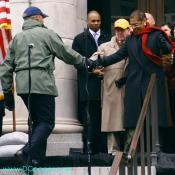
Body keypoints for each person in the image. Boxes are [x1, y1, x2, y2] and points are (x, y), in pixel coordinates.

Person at [0, 6, 91, 166]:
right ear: (36, 18)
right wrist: (85, 62)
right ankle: (27, 151)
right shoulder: (47, 34)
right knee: (47, 122)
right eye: (42, 17)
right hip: (41, 83)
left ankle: (35, 160)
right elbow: (66, 53)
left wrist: (7, 93)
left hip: (23, 85)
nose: (43, 20)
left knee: (37, 122)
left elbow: (6, 67)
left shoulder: (17, 38)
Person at [94, 10, 175, 152]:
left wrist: (164, 48)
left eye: (136, 24)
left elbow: (168, 50)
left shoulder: (156, 35)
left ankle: (157, 150)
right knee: (134, 120)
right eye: (132, 25)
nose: (134, 27)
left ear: (145, 22)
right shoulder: (130, 39)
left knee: (155, 119)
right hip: (134, 85)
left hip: (153, 84)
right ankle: (135, 151)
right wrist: (98, 62)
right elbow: (118, 55)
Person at [72, 10, 111, 154]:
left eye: (98, 21)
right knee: (90, 119)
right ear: (87, 21)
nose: (96, 23)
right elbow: (76, 62)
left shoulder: (108, 37)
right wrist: (91, 71)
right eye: (93, 21)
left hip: (106, 85)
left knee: (104, 118)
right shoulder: (79, 39)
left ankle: (103, 149)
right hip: (88, 86)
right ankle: (89, 150)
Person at [96, 19, 130, 155]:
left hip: (130, 88)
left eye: (122, 29)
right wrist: (95, 69)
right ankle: (113, 150)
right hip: (112, 89)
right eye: (117, 30)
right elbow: (93, 61)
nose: (119, 32)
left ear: (129, 30)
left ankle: (129, 149)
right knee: (111, 120)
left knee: (129, 120)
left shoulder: (133, 45)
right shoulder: (105, 47)